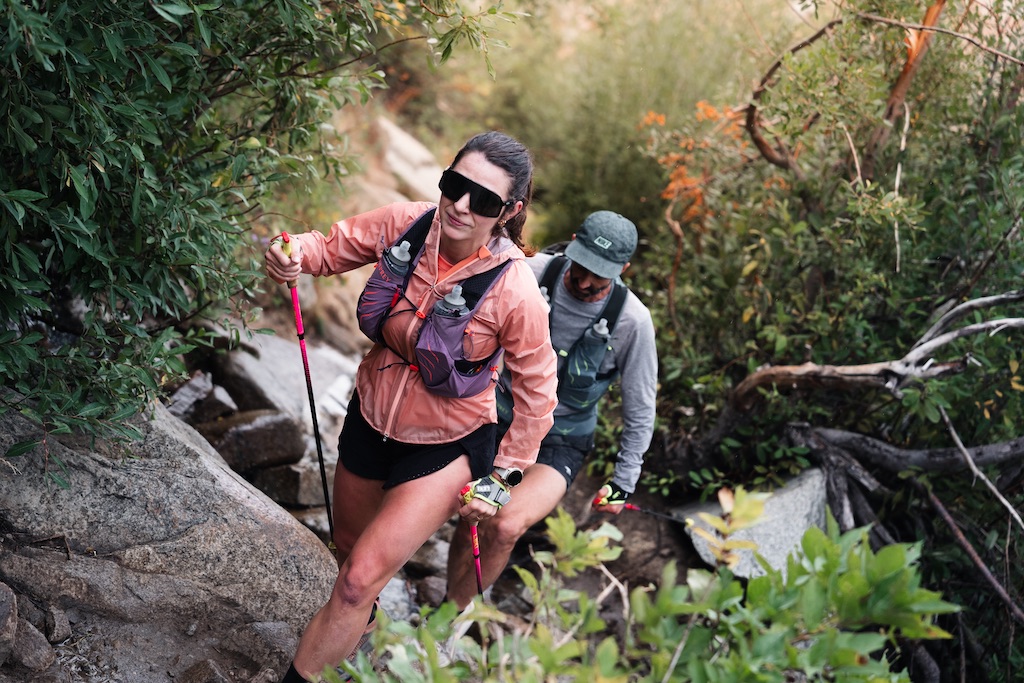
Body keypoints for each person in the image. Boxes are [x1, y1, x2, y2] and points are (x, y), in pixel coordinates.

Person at [264, 131, 557, 683]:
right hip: (371, 417)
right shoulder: (407, 223)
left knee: (354, 581)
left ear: (509, 212)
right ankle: (360, 628)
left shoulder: (515, 289)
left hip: (447, 446)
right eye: (455, 185)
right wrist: (291, 252)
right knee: (347, 551)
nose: (462, 205)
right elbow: (330, 247)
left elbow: (539, 394)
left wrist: (501, 478)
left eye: (484, 200)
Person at [446, 210, 658, 610]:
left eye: (600, 274)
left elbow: (641, 407)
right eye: (582, 265)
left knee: (505, 524)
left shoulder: (633, 321)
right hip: (495, 420)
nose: (585, 280)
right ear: (573, 241)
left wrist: (623, 481)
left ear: (624, 268)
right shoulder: (528, 270)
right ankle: (446, 603)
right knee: (471, 512)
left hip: (561, 442)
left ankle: (444, 622)